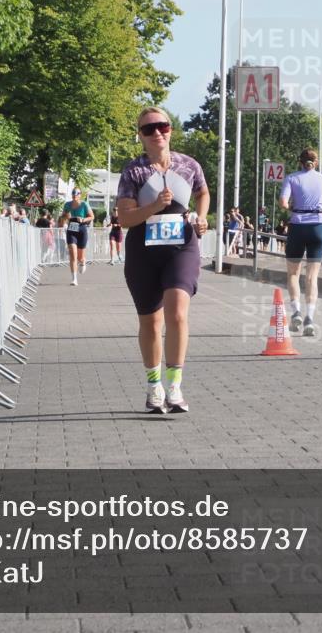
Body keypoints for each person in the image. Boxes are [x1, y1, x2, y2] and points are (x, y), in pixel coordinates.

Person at [117, 107, 209, 414]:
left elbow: (203, 193)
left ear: (170, 130)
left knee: (177, 313)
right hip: (143, 250)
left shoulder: (188, 165)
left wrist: (202, 217)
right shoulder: (133, 171)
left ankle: (175, 387)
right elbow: (125, 218)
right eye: (149, 129)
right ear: (140, 136)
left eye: (162, 126)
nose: (157, 132)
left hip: (181, 247)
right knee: (151, 322)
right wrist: (154, 206)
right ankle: (154, 386)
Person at [279, 147, 322, 337]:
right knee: (312, 277)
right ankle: (310, 319)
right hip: (319, 228)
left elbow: (283, 203)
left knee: (293, 274)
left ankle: (296, 312)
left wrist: (293, 209)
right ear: (316, 163)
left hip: (298, 227)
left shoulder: (292, 178)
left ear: (300, 162)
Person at [60, 188, 93, 285]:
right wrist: (66, 216)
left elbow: (92, 216)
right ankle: (74, 279)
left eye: (77, 193)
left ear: (80, 195)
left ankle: (82, 262)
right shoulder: (67, 205)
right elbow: (62, 217)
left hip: (82, 229)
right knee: (73, 255)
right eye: (73, 193)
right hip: (71, 229)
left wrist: (83, 219)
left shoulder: (84, 204)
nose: (74, 195)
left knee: (80, 257)